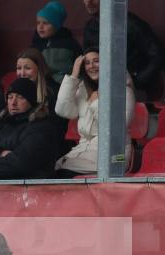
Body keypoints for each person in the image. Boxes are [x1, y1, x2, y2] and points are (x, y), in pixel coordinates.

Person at [54, 48, 135, 176]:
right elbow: (63, 110)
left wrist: (96, 102)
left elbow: (117, 128)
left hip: (116, 156)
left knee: (63, 172)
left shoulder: (124, 91)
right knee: (53, 168)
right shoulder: (84, 90)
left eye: (97, 61)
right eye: (87, 63)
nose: (91, 66)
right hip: (84, 151)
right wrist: (73, 76)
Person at [0, 78, 59, 180]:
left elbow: (21, 161)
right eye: (10, 97)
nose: (13, 102)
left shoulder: (41, 128)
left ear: (31, 102)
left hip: (29, 186)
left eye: (20, 97)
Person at [82, 1, 165, 95]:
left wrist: (136, 81)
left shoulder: (131, 24)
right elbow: (85, 61)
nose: (88, 2)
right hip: (102, 90)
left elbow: (159, 56)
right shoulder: (90, 28)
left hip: (133, 91)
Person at [31, 1, 82, 84]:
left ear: (56, 25)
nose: (40, 26)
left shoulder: (70, 44)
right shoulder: (35, 44)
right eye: (38, 23)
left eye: (45, 23)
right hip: (42, 86)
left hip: (64, 85)